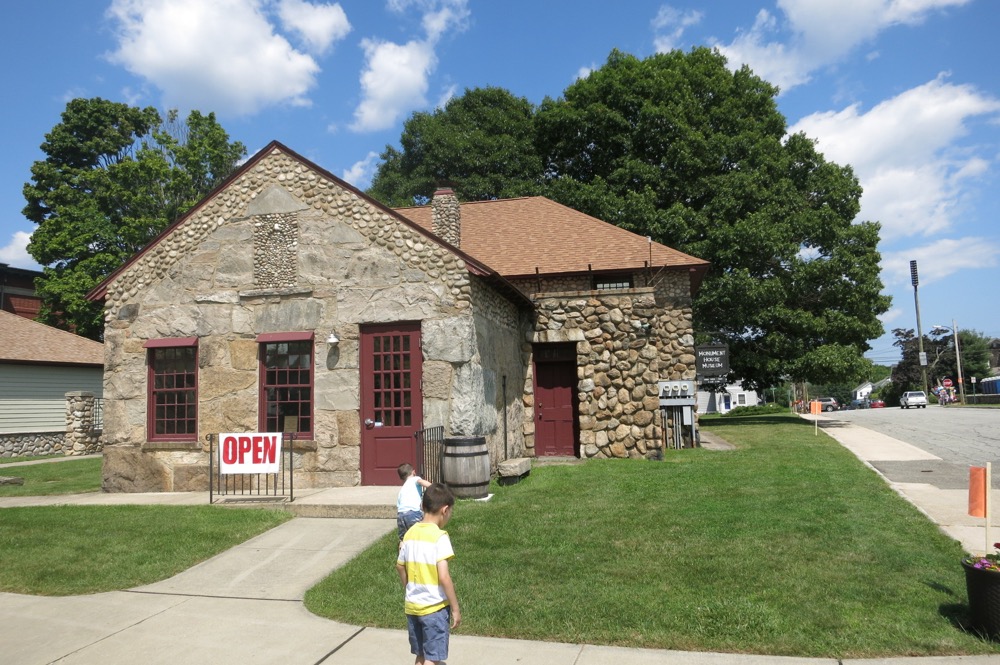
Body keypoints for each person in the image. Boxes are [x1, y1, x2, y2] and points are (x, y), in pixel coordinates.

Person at [396, 483, 461, 665]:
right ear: (445, 510)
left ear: (422, 506)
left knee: (421, 655)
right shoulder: (440, 537)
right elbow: (444, 577)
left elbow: (400, 566)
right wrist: (455, 608)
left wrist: (408, 586)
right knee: (433, 658)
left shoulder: (409, 533)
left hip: (413, 606)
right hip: (434, 608)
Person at [397, 463, 433, 542]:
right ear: (413, 472)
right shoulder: (415, 479)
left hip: (401, 515)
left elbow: (398, 505)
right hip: (413, 513)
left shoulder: (402, 490)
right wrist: (433, 487)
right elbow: (421, 481)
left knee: (404, 538)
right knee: (419, 535)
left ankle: (402, 549)